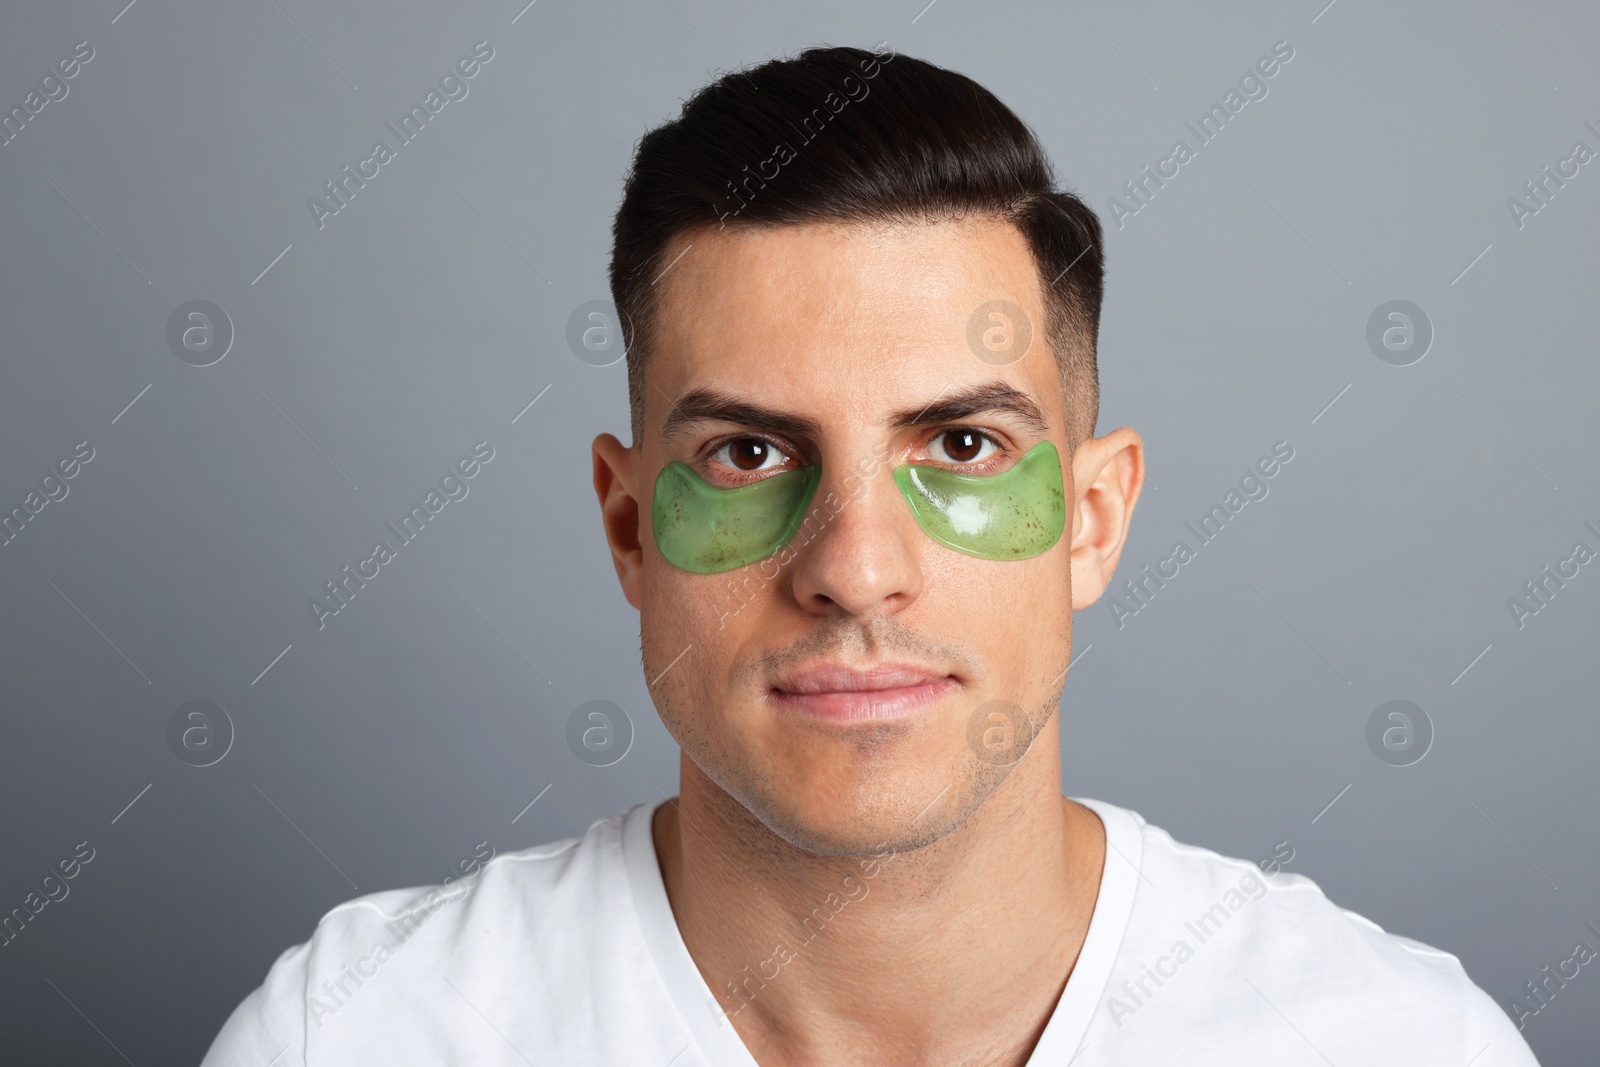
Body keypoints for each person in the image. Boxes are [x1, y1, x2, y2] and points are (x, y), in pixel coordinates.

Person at [202, 44, 1538, 1065]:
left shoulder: (1384, 1041)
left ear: (1091, 518)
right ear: (627, 526)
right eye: (746, 455)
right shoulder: (367, 1035)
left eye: (961, 446)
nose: (853, 566)